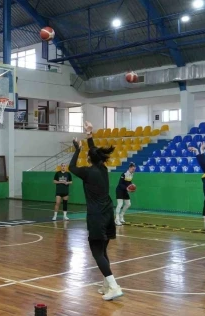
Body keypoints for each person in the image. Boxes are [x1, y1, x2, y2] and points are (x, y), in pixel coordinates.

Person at [68, 121, 123, 301]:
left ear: (89, 159)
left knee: (96, 252)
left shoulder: (87, 172)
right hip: (108, 213)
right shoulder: (103, 168)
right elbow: (94, 153)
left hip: (96, 215)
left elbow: (71, 167)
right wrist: (90, 135)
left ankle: (114, 287)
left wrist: (77, 149)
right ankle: (106, 285)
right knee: (103, 250)